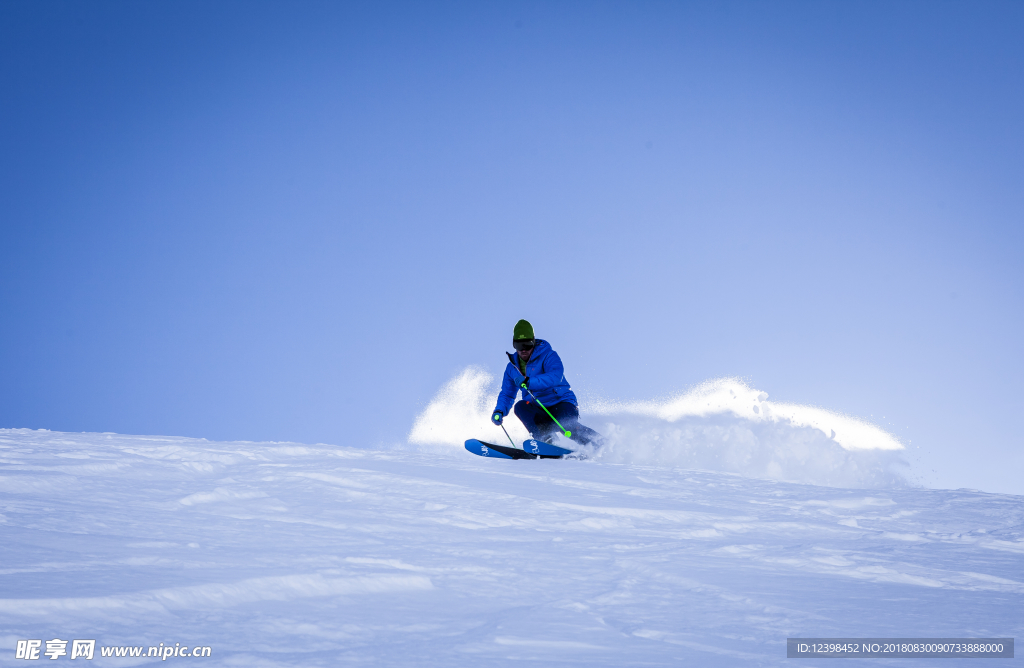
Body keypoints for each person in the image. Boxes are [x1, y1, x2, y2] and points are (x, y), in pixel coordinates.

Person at [490, 319, 601, 447]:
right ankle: (546, 442)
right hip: (538, 409)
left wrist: (529, 381)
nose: (524, 350)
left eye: (528, 344)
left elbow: (555, 376)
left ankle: (599, 444)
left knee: (566, 426)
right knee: (520, 407)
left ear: (534, 342)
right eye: (520, 346)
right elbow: (507, 394)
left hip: (561, 402)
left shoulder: (548, 355)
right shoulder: (512, 369)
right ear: (514, 345)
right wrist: (499, 410)